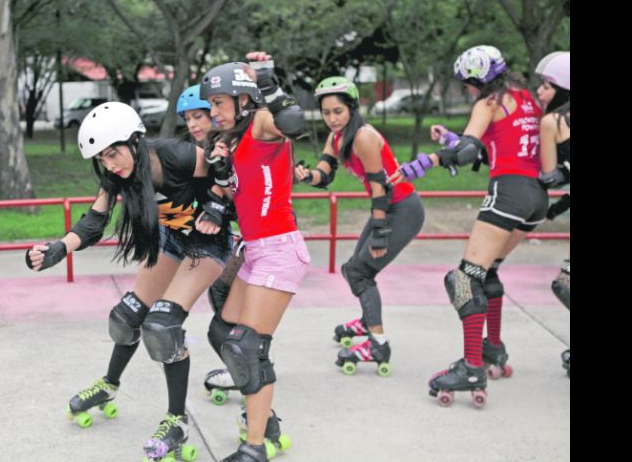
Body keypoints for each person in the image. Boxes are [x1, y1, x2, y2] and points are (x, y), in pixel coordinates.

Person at [24, 101, 231, 460]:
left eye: (114, 153)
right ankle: (109, 384)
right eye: (103, 158)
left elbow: (227, 179)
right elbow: (93, 221)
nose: (111, 164)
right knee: (125, 318)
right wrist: (59, 248)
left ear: (135, 141)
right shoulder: (117, 175)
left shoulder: (177, 156)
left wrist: (217, 204)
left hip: (208, 243)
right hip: (172, 242)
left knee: (162, 327)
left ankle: (177, 421)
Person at [390, 45, 547, 407]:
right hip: (537, 199)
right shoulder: (525, 99)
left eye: (467, 84)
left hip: (508, 193)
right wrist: (450, 139)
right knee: (487, 272)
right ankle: (493, 349)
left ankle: (472, 367)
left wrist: (423, 162)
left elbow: (465, 153)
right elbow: (492, 146)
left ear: (478, 80)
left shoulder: (487, 104)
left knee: (463, 278)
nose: (467, 91)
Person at [200, 52, 309, 462]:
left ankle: (255, 447)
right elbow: (237, 192)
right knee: (221, 333)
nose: (213, 112)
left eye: (218, 103)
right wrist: (216, 204)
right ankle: (268, 422)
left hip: (280, 248)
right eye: (211, 105)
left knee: (249, 348)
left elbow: (294, 123)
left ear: (242, 100)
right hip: (255, 250)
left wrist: (267, 82)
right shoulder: (234, 142)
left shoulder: (263, 122)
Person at [294, 76, 425, 376]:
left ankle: (378, 343)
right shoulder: (336, 137)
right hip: (387, 208)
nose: (332, 119)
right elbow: (325, 175)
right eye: (326, 113)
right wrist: (306, 176)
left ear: (352, 108)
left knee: (361, 272)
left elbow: (380, 186)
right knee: (355, 268)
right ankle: (368, 320)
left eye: (338, 111)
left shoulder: (364, 136)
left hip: (401, 209)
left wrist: (380, 233)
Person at [176, 84, 246, 403]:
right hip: (238, 235)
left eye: (199, 116)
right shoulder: (202, 151)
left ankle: (246, 368)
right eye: (188, 118)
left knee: (223, 301)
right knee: (223, 296)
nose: (192, 124)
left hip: (256, 236)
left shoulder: (225, 147)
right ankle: (247, 360)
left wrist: (218, 207)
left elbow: (235, 195)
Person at [534, 51, 570, 377]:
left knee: (566, 284)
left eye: (546, 86)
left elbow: (549, 176)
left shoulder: (552, 122)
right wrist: (557, 209)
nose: (540, 93)